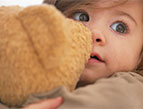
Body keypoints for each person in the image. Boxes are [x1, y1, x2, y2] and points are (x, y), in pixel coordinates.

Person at [1, 0, 143, 109]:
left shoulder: (134, 87)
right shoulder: (30, 75)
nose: (94, 33)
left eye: (120, 27)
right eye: (81, 17)